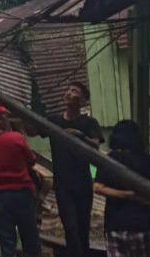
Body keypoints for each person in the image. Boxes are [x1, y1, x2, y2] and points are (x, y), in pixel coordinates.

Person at [94, 119, 150, 257]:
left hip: (115, 225)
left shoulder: (110, 160)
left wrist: (124, 194)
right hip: (142, 224)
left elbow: (97, 187)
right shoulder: (147, 160)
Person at [0, 100, 42, 257]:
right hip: (23, 194)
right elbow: (31, 160)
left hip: (0, 197)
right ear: (0, 119)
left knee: (7, 244)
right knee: (31, 241)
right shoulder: (16, 138)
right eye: (4, 116)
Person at [50, 81, 104, 257]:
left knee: (82, 226)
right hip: (62, 185)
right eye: (68, 89)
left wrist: (79, 135)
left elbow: (95, 145)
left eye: (74, 91)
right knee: (70, 227)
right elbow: (33, 130)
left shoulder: (89, 123)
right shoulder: (55, 121)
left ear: (83, 100)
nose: (68, 93)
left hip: (83, 184)